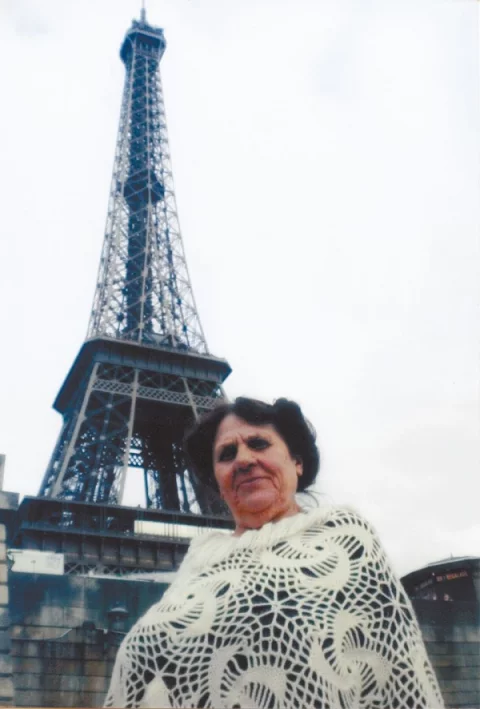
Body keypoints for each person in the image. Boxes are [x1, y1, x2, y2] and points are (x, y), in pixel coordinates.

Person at [105, 397, 445, 709]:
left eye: (258, 443)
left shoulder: (346, 541)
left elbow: (401, 675)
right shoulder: (198, 565)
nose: (243, 460)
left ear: (297, 462)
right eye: (226, 454)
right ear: (218, 485)